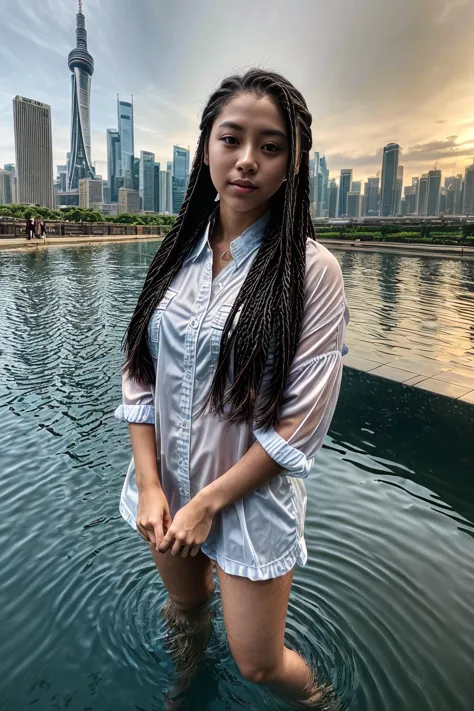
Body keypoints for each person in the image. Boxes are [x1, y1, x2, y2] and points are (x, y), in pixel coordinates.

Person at [115, 68, 349, 709]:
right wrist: (154, 485)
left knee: (260, 664)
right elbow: (140, 370)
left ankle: (322, 705)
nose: (247, 161)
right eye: (231, 139)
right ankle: (187, 688)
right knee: (186, 606)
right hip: (166, 487)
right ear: (206, 147)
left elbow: (301, 424)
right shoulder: (176, 249)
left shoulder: (311, 272)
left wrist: (208, 504)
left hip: (244, 499)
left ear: (293, 163)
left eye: (270, 146)